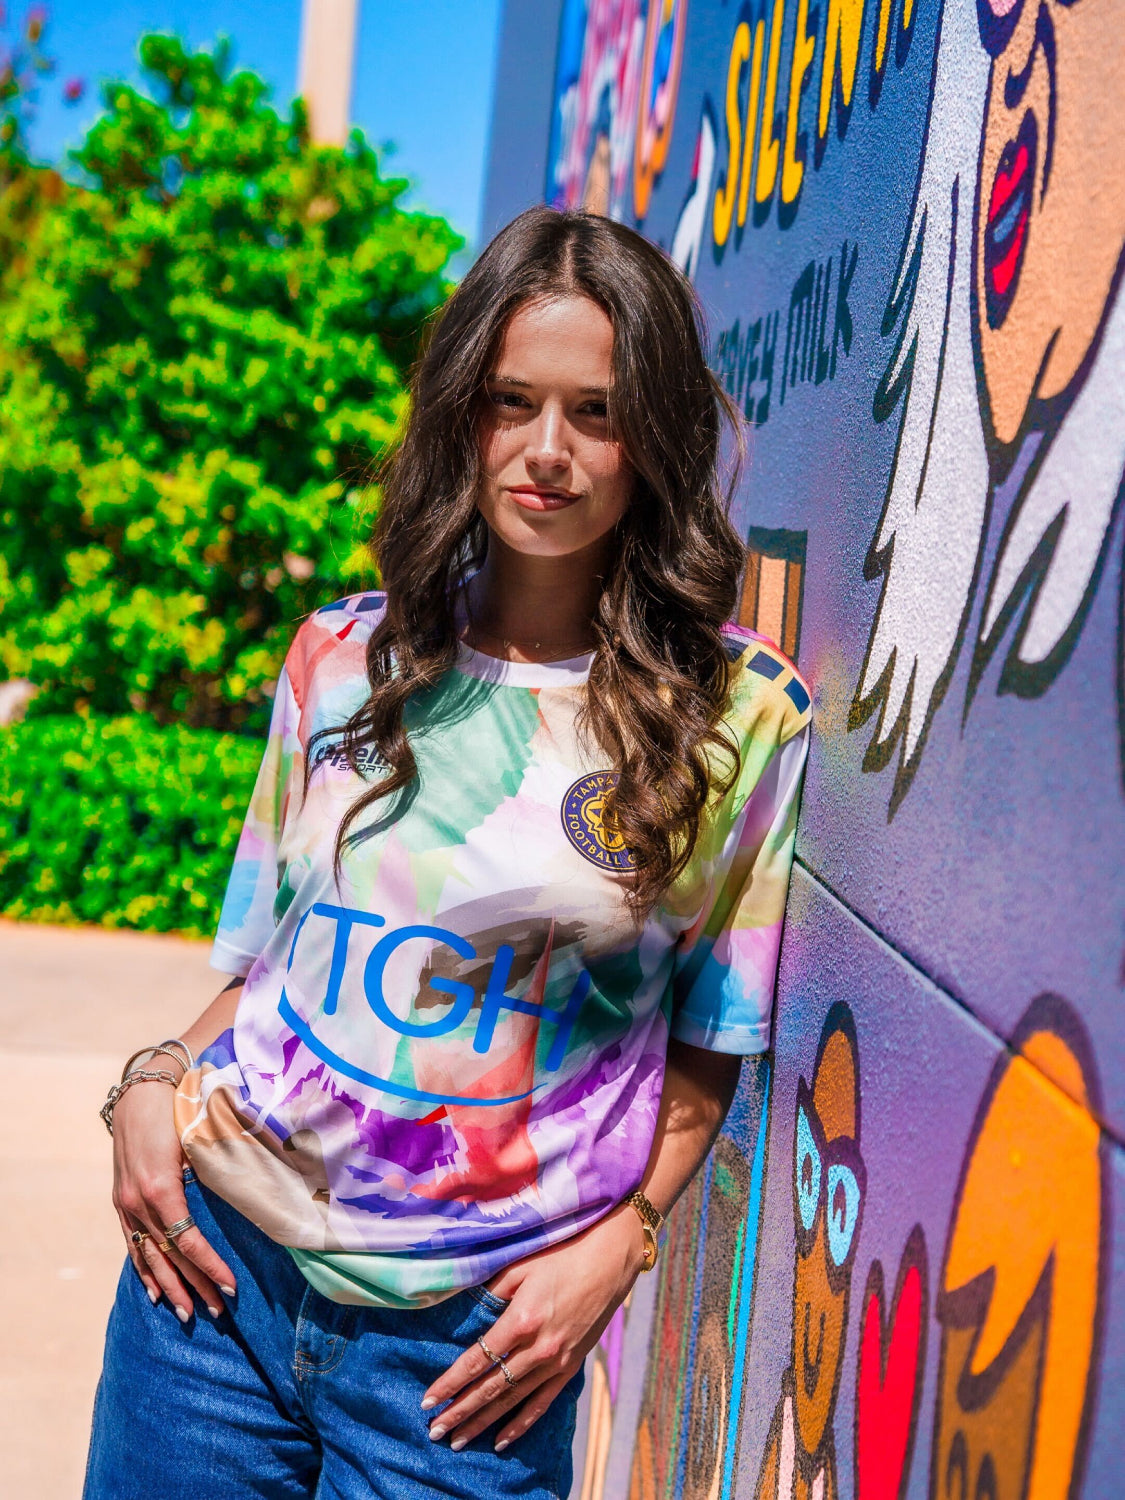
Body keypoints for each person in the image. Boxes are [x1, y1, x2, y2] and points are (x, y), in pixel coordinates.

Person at [84, 205, 811, 1500]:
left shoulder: (739, 716)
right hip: (209, 1293)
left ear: (652, 433)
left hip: (472, 1354)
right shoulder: (339, 658)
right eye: (508, 402)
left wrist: (621, 1245)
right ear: (457, 418)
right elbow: (265, 966)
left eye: (593, 411)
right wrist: (146, 1090)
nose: (546, 453)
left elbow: (713, 1041)